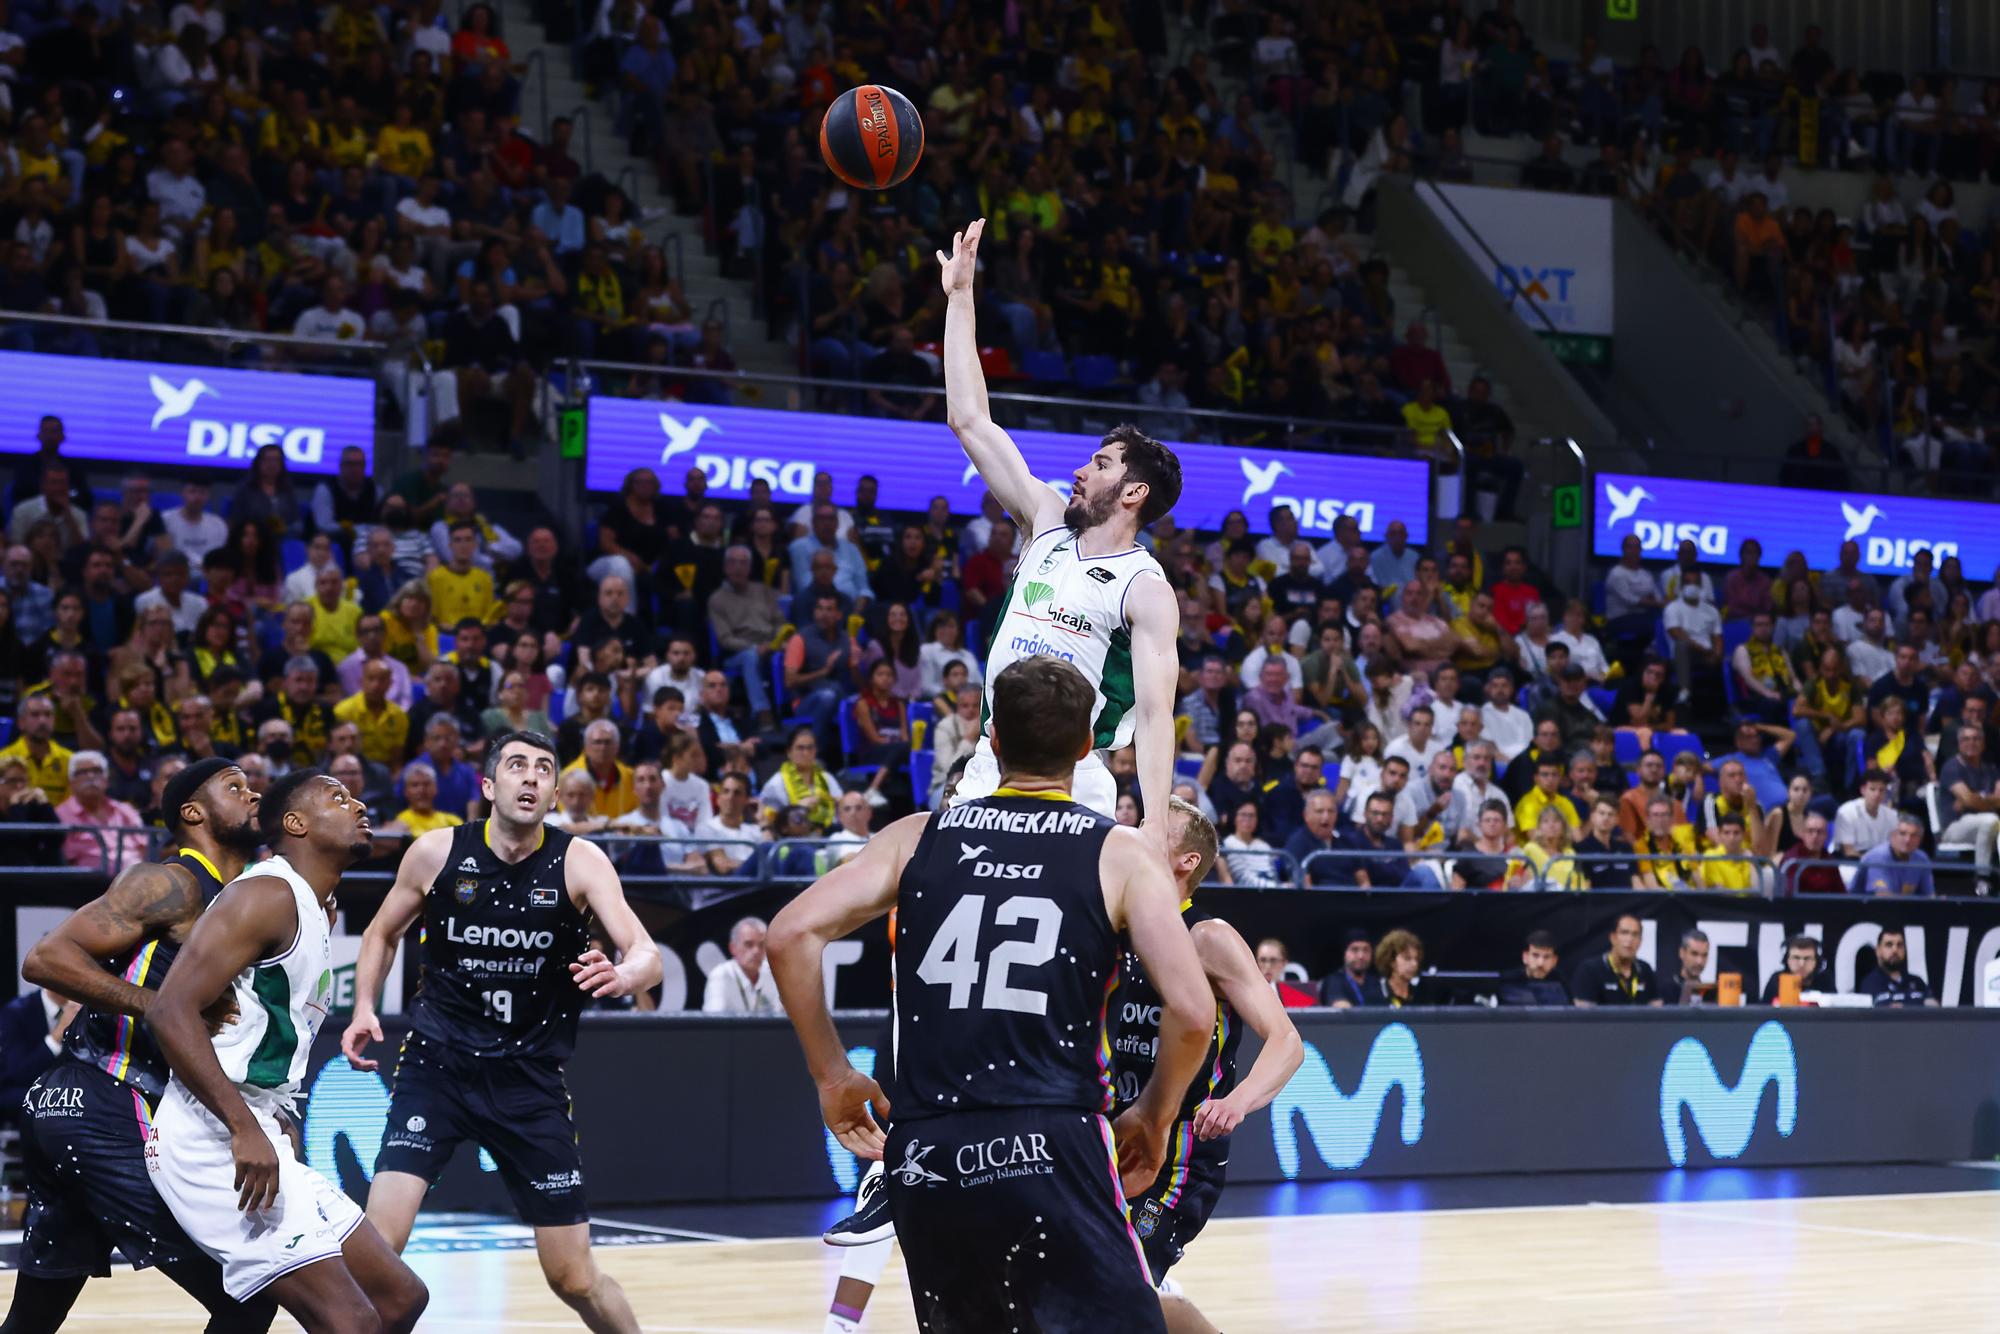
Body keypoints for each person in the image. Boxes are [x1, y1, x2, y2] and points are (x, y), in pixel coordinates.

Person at [767, 656, 1211, 1333]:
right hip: (1052, 1134)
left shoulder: (917, 836)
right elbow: (1192, 1010)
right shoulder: (1119, 853)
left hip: (926, 1148)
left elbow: (789, 935)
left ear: (991, 737)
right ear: (1088, 747)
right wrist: (1154, 1113)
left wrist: (832, 1075)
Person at [339, 731, 661, 1332]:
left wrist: (624, 972)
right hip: (436, 1069)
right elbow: (382, 933)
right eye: (517, 766)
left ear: (555, 794)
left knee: (574, 1277)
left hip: (528, 1081)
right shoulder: (436, 853)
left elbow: (648, 953)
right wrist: (363, 1006)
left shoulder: (580, 861)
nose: (531, 777)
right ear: (489, 787)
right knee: (379, 1251)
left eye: (544, 769)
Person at [144, 770, 429, 1329]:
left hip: (257, 1120)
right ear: (295, 824)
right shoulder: (267, 894)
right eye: (338, 798)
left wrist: (274, 1114)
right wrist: (242, 1127)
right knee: (352, 1322)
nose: (359, 804)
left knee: (400, 1298)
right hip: (210, 1137)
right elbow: (168, 1010)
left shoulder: (319, 907)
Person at [6, 759, 274, 1333]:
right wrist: (156, 1004)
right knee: (248, 1292)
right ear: (192, 812)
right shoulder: (172, 881)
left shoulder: (240, 897)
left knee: (32, 1320)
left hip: (79, 1105)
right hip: (104, 1099)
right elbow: (44, 958)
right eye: (236, 787)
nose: (254, 796)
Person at [934, 217, 1182, 834]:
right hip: (990, 769)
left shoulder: (1145, 587)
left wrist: (1152, 829)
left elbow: (1155, 717)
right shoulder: (1045, 520)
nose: (1079, 471)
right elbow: (969, 420)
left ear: (1133, 492)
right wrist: (961, 299)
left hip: (1077, 784)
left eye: (1099, 464)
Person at [1106, 797, 1304, 1323]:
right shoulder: (1121, 927)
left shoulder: (1208, 938)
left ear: (1186, 861)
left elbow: (1287, 1040)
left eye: (1154, 827)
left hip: (1180, 1157)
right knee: (1114, 1294)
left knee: (1118, 1294)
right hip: (1117, 1141)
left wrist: (1236, 1102)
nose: (1138, 830)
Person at [1571, 913, 1662, 1006]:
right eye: (1624, 932)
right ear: (1613, 937)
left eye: (1635, 934)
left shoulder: (1645, 969)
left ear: (1640, 941)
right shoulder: (1590, 969)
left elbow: (1657, 1010)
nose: (1629, 939)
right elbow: (1583, 1014)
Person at [703, 916, 783, 1014]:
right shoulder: (720, 975)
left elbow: (784, 1015)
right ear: (733, 948)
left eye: (762, 945)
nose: (756, 951)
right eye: (749, 945)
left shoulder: (774, 972)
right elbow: (713, 1022)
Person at [1858, 812, 1935, 896]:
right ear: (1892, 835)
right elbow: (1883, 897)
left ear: (1920, 839)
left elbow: (1928, 896)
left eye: (1913, 835)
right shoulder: (1878, 857)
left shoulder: (1922, 859)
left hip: (1902, 907)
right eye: (1902, 834)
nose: (1907, 840)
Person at [1857, 926, 1936, 1006]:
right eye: (1889, 945)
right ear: (1878, 950)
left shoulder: (1917, 981)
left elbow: (1934, 1007)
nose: (1895, 950)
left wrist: (1902, 1007)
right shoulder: (1870, 983)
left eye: (1899, 945)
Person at [1497, 931, 1570, 1006]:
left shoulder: (1562, 983)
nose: (1540, 963)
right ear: (1525, 957)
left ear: (1554, 961)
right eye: (1535, 955)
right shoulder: (1507, 981)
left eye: (1547, 957)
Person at [1759, 935, 1826, 1002]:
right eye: (1796, 958)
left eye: (1807, 958)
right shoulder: (1777, 979)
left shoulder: (1825, 980)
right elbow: (1764, 1009)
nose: (1801, 964)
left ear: (1816, 961)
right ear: (1787, 959)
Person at [1658, 929, 1712, 1006]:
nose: (1699, 961)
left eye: (1704, 955)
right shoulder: (1664, 991)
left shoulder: (1709, 994)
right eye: (1694, 954)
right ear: (1682, 953)